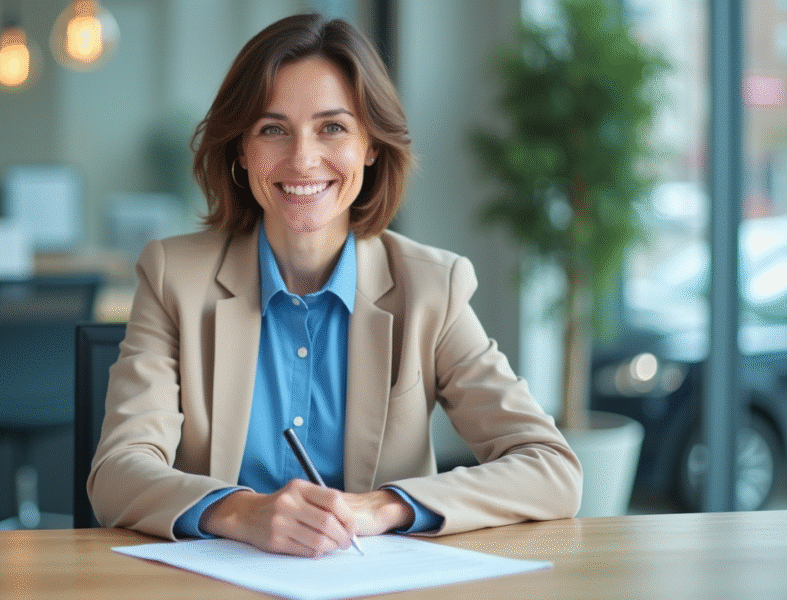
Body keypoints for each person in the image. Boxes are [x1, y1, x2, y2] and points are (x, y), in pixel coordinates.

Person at [88, 12, 582, 558]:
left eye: (333, 128)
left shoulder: (430, 288)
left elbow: (551, 468)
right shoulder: (173, 276)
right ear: (242, 150)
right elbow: (117, 474)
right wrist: (241, 511)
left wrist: (381, 507)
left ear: (371, 146)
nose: (302, 159)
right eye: (272, 129)